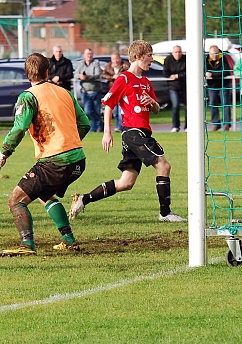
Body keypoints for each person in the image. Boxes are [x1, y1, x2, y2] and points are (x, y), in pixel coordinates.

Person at [70, 40, 186, 223]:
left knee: (126, 183)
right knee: (164, 165)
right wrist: (107, 132)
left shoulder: (146, 82)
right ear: (138, 57)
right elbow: (108, 104)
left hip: (142, 133)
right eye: (149, 56)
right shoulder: (124, 78)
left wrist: (152, 102)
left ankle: (83, 199)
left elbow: (156, 109)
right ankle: (165, 213)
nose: (151, 60)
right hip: (133, 132)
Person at [0, 52, 90, 256]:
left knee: (16, 200)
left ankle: (27, 245)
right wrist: (69, 142)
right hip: (78, 160)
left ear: (27, 75)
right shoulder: (65, 92)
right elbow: (85, 124)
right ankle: (68, 239)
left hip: (54, 162)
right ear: (47, 71)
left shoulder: (28, 96)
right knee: (43, 193)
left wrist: (2, 156)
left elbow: (19, 128)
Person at [75, 48, 103, 132]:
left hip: (96, 91)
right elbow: (75, 74)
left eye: (90, 54)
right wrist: (80, 76)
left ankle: (94, 128)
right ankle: (99, 124)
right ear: (84, 55)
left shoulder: (96, 62)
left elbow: (97, 74)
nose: (89, 55)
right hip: (85, 92)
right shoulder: (80, 64)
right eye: (87, 54)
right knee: (87, 111)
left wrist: (87, 77)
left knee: (96, 111)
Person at [205, 45, 232, 131]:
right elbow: (203, 70)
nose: (214, 56)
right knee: (213, 103)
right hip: (212, 85)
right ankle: (216, 124)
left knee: (225, 103)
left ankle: (227, 124)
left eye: (216, 53)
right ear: (209, 53)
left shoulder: (223, 58)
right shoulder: (205, 59)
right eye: (212, 54)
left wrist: (212, 75)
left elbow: (226, 72)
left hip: (224, 84)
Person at [101, 51, 129, 132]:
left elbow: (129, 74)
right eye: (114, 59)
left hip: (122, 91)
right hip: (112, 91)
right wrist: (112, 77)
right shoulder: (108, 66)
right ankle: (118, 126)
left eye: (117, 59)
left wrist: (120, 77)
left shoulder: (125, 66)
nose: (116, 61)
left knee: (121, 110)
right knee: (115, 112)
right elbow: (103, 75)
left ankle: (120, 127)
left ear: (120, 59)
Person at [163, 45, 187, 132]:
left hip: (185, 86)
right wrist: (171, 76)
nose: (178, 54)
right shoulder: (168, 60)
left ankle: (187, 126)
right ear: (172, 53)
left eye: (179, 52)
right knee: (175, 105)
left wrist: (177, 76)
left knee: (187, 107)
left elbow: (188, 72)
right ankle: (175, 126)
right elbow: (165, 72)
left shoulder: (186, 59)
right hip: (173, 87)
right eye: (176, 52)